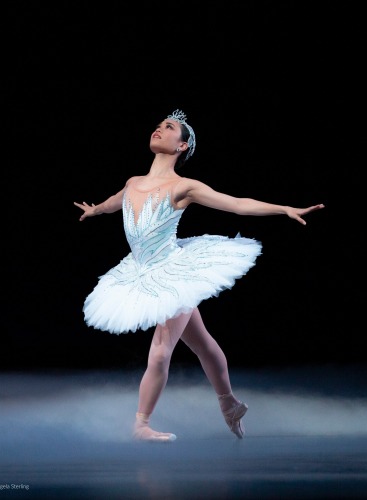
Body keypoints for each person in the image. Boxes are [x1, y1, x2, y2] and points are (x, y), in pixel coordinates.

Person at [74, 109, 324, 442]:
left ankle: (141, 424)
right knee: (203, 345)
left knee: (162, 350)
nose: (159, 129)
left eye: (169, 127)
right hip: (140, 271)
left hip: (171, 273)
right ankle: (229, 403)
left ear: (182, 146)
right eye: (159, 124)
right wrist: (95, 210)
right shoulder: (133, 183)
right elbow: (114, 203)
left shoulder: (182, 187)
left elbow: (236, 204)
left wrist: (283, 209)